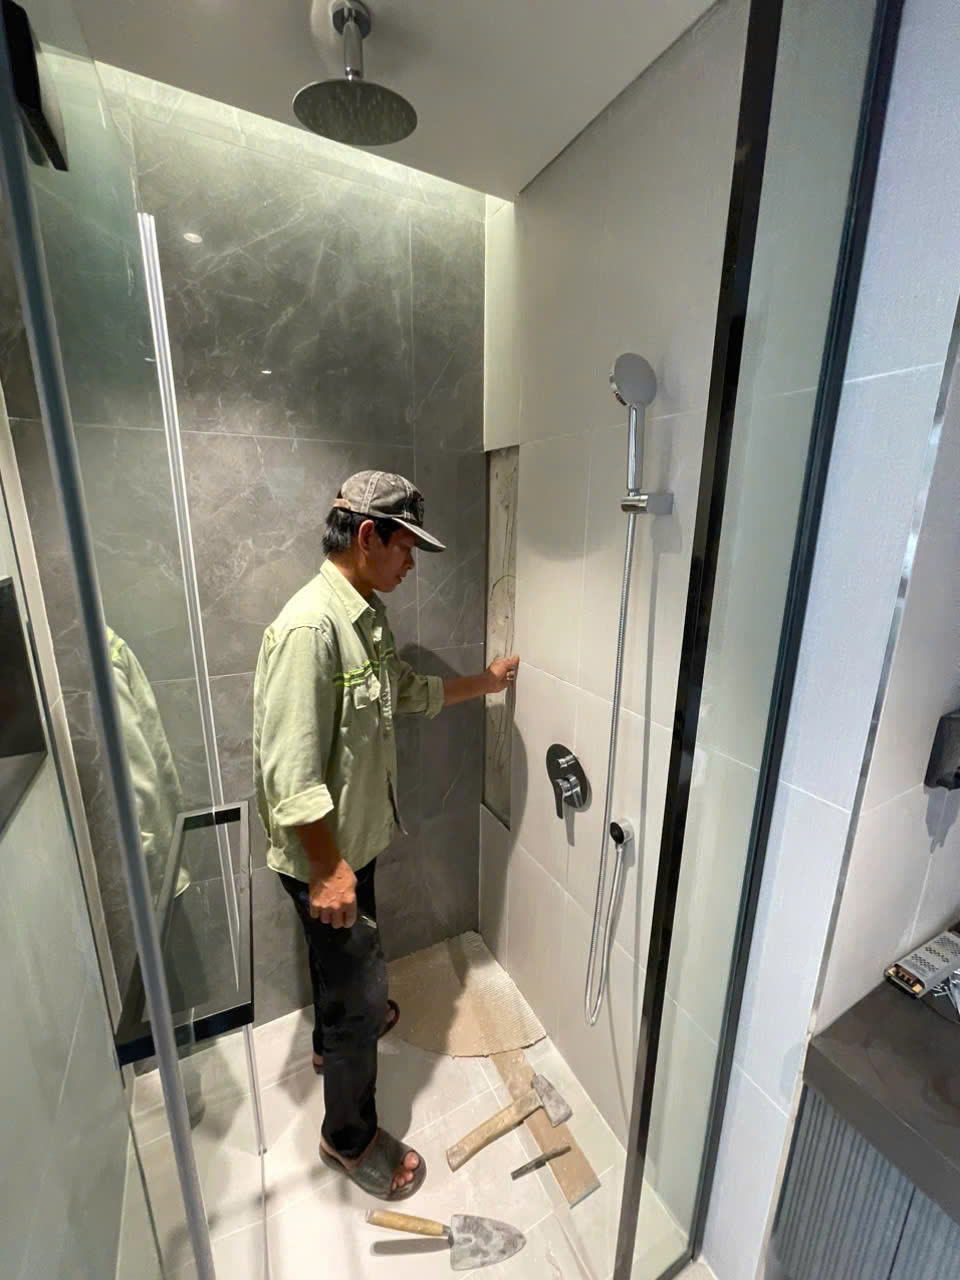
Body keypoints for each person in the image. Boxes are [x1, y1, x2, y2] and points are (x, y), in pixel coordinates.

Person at [253, 471, 518, 1201]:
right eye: (407, 548)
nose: (412, 564)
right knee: (362, 993)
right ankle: (348, 1139)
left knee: (340, 973)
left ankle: (331, 1039)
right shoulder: (311, 630)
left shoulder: (363, 617)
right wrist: (328, 869)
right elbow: (289, 773)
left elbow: (404, 692)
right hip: (326, 857)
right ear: (368, 536)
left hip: (349, 847)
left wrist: (483, 683)